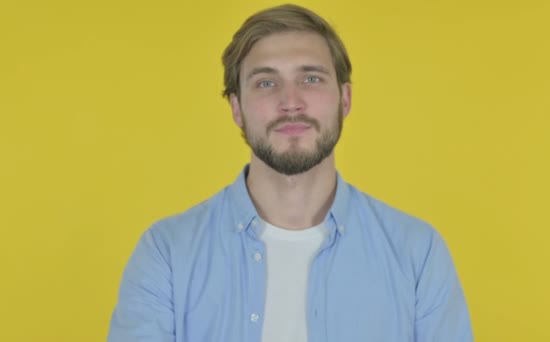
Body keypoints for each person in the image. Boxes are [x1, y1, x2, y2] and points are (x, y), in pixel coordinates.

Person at [108, 4, 472, 342]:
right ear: (237, 108)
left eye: (311, 78)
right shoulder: (167, 255)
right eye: (266, 82)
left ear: (345, 99)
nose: (291, 101)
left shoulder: (417, 254)